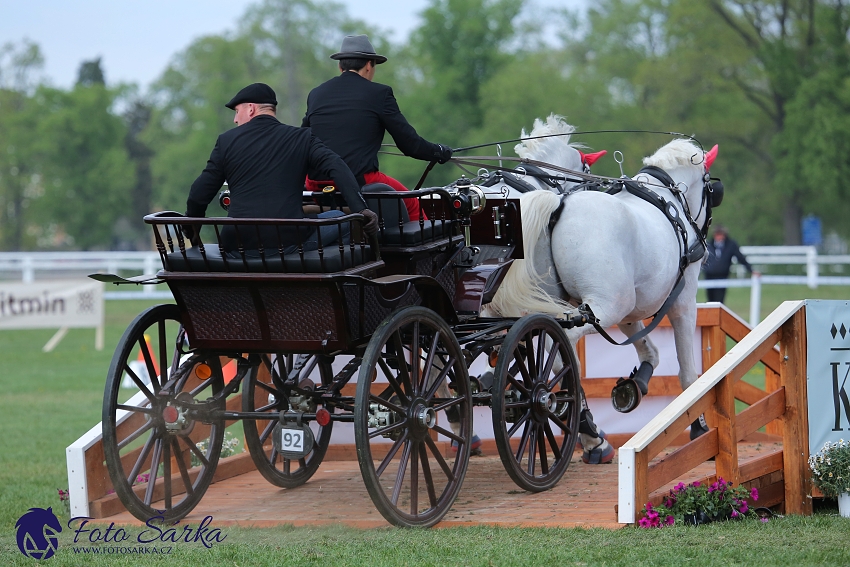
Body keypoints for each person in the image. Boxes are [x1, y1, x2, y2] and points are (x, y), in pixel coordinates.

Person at [185, 83, 378, 253]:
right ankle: (320, 286)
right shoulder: (302, 137)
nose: (235, 119)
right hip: (289, 243)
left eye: (237, 111)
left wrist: (192, 232)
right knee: (340, 218)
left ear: (251, 109)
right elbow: (337, 166)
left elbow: (198, 193)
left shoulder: (226, 142)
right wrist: (360, 209)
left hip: (236, 247)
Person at [301, 34, 453, 221]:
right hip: (360, 181)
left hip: (316, 184)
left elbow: (303, 137)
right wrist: (438, 151)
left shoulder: (316, 94)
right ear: (368, 65)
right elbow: (409, 145)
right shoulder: (379, 93)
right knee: (412, 202)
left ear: (340, 66)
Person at [702, 224, 759, 303]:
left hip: (722, 276)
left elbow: (741, 258)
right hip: (709, 275)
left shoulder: (730, 245)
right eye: (717, 234)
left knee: (719, 300)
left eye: (720, 234)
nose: (718, 237)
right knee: (710, 301)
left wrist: (751, 270)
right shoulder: (708, 245)